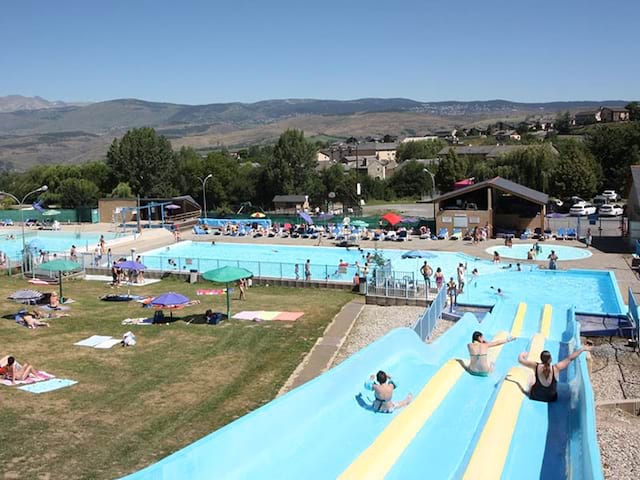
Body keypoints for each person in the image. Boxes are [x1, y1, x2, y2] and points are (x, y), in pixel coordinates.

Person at [518, 345, 592, 402]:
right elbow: (570, 358)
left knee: (531, 379)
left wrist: (522, 354)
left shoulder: (535, 366)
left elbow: (520, 360)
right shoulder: (556, 368)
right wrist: (582, 349)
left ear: (541, 359)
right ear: (550, 359)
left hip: (535, 396)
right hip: (550, 398)